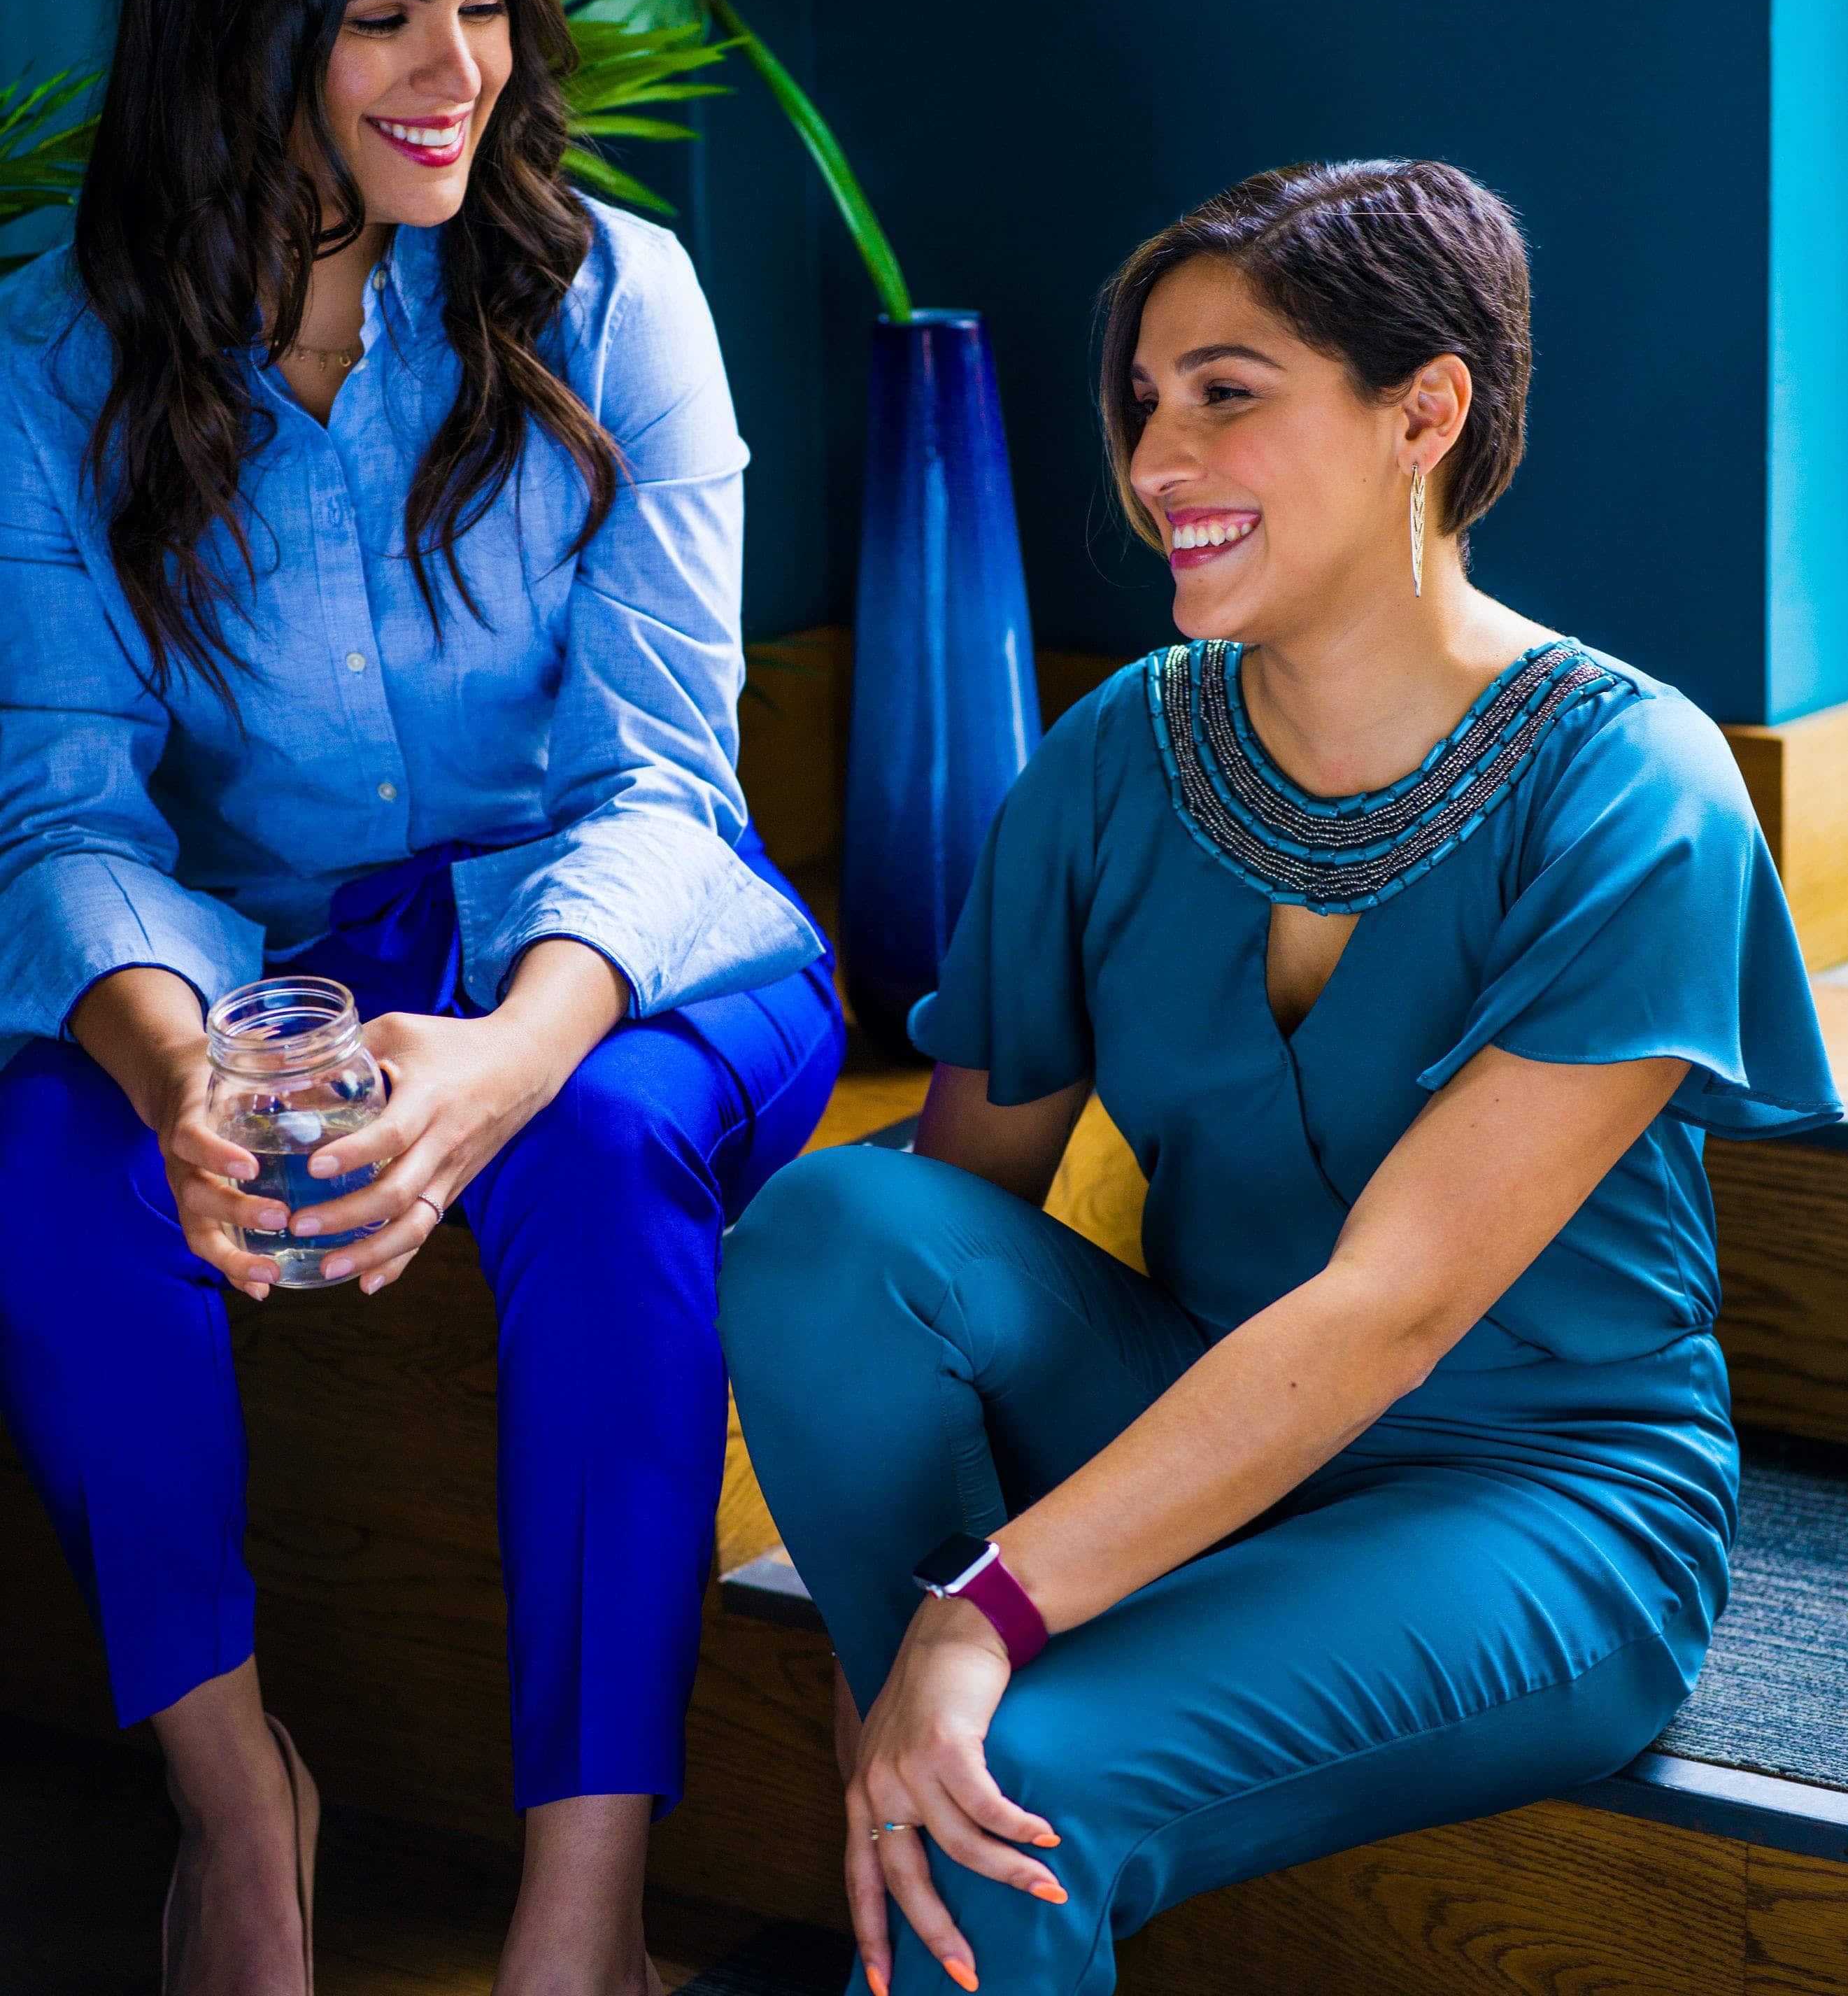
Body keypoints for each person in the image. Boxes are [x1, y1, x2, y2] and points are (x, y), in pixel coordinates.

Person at [720, 160, 1842, 1996]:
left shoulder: (1631, 789)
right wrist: (961, 1602)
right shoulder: (1109, 761)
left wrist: (985, 1607)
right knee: (836, 1221)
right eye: (1140, 401)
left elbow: (1390, 1313)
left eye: (1225, 392)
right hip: (1193, 1428)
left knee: (1024, 1776)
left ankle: (962, 1821)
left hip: (1532, 1505)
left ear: (1425, 411)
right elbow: (946, 1232)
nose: (1156, 455)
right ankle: (938, 1813)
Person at [0, 0, 844, 1996]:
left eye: (481, 8)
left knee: (588, 1145)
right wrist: (182, 1074)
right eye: (382, 16)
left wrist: (491, 1062)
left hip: (629, 954)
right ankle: (233, 1819)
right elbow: (65, 801)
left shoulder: (617, 299)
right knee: (53, 1172)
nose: (451, 70)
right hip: (252, 963)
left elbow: (668, 783)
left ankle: (580, 1919)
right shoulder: (45, 354)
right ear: (236, 19)